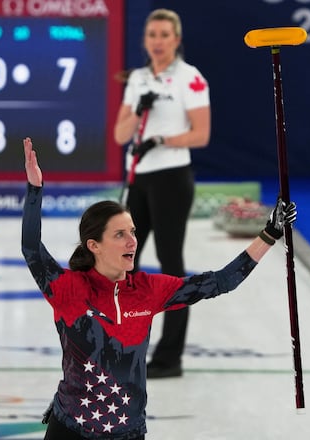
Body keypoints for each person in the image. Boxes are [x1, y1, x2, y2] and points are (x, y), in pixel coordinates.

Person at [21, 137, 295, 440]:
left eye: (133, 232)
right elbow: (31, 248)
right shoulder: (68, 288)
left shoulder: (149, 289)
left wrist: (270, 234)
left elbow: (220, 282)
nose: (132, 241)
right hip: (71, 429)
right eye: (120, 234)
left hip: (128, 433)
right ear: (94, 245)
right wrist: (35, 190)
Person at [112, 8, 211, 378]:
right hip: (138, 177)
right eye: (152, 34)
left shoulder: (191, 78)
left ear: (176, 39)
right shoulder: (137, 78)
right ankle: (126, 348)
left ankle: (169, 358)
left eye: (164, 35)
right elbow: (120, 136)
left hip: (171, 177)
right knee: (125, 266)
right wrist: (139, 113)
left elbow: (201, 134)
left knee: (170, 266)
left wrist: (160, 138)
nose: (157, 41)